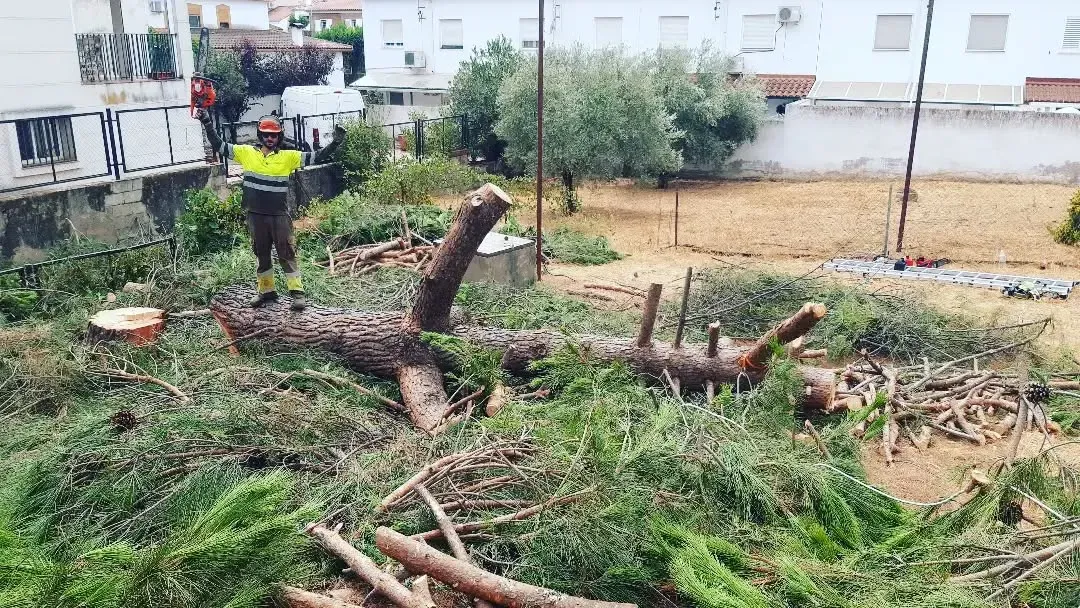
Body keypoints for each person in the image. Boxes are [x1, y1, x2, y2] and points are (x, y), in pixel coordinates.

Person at [195, 109, 345, 310]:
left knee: (287, 253)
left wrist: (335, 142)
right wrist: (206, 122)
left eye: (273, 135)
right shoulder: (246, 153)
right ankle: (266, 292)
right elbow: (219, 146)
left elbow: (316, 157)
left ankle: (297, 294)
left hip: (279, 216)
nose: (270, 138)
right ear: (260, 135)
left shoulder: (288, 157)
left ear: (279, 136)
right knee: (262, 254)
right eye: (266, 134)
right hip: (255, 216)